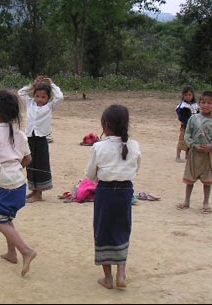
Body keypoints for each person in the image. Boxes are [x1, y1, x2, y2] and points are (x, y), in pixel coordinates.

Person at [85, 104, 141, 289]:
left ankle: (108, 278)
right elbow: (136, 169)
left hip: (105, 193)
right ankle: (122, 274)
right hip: (125, 192)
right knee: (122, 229)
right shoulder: (134, 145)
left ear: (105, 125)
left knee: (102, 231)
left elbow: (90, 175)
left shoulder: (98, 147)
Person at [0, 89, 37, 277]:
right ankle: (11, 253)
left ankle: (26, 251)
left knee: (0, 222)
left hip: (4, 183)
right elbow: (28, 159)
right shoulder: (20, 134)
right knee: (7, 218)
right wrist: (16, 168)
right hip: (19, 184)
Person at [177, 91, 212, 214]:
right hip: (193, 154)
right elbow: (187, 135)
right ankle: (186, 201)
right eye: (203, 102)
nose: (206, 105)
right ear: (199, 104)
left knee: (207, 181)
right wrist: (193, 145)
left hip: (207, 156)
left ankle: (206, 203)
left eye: (209, 103)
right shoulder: (193, 119)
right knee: (189, 179)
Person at [18, 76, 63, 203]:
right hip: (30, 138)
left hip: (42, 139)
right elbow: (20, 92)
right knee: (31, 164)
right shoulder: (29, 102)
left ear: (48, 98)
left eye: (43, 97)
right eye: (37, 96)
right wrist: (33, 85)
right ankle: (33, 190)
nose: (40, 99)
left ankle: (39, 194)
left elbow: (60, 97)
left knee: (41, 164)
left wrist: (52, 85)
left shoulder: (49, 106)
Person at [175, 86, 199, 162]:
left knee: (190, 141)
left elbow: (198, 114)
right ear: (183, 96)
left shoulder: (195, 105)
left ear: (192, 95)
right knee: (182, 140)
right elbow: (180, 117)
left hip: (193, 127)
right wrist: (187, 122)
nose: (188, 97)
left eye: (189, 95)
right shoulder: (182, 106)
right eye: (186, 95)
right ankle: (178, 156)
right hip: (185, 126)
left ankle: (187, 156)